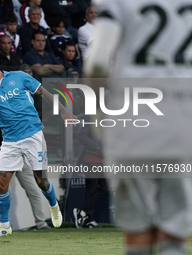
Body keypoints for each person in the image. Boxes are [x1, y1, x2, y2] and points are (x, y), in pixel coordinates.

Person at [85, 0, 192, 254]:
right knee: (174, 235)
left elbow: (98, 61)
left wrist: (99, 112)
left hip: (133, 122)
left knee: (138, 232)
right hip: (183, 123)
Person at [0, 53, 75, 240]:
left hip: (33, 135)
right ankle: (4, 226)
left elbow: (44, 93)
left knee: (41, 181)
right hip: (9, 142)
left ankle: (53, 204)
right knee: (1, 185)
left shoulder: (19, 76)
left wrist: (63, 110)